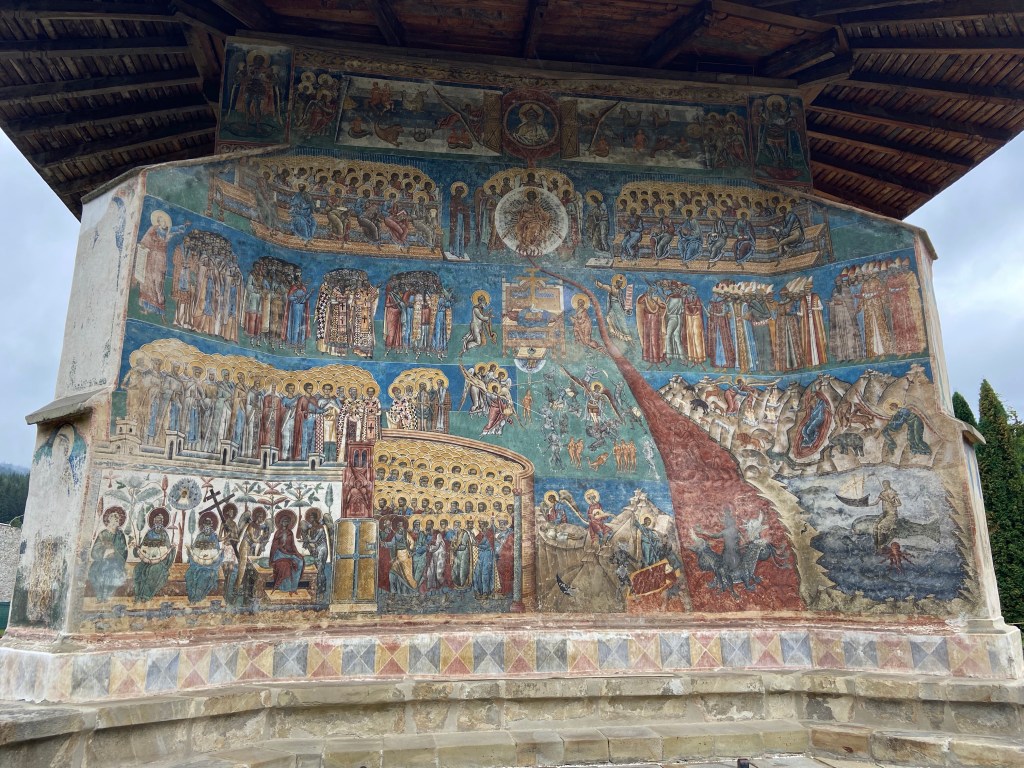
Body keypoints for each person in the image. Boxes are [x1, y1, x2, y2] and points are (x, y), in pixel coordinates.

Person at [133, 508, 174, 602]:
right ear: (153, 522)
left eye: (159, 521)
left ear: (162, 522)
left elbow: (167, 550)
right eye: (156, 521)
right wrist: (138, 547)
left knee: (152, 571)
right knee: (138, 569)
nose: (157, 523)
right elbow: (143, 546)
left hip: (160, 561)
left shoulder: (164, 534)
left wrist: (171, 549)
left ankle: (146, 596)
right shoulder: (149, 533)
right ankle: (138, 594)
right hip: (147, 559)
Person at [88, 507, 129, 601]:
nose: (115, 521)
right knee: (97, 572)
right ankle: (100, 595)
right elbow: (94, 551)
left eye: (117, 519)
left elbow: (124, 550)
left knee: (114, 573)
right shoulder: (103, 534)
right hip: (102, 561)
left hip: (116, 562)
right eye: (113, 519)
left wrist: (115, 551)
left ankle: (107, 595)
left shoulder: (120, 535)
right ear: (109, 520)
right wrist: (104, 552)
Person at [184, 512, 223, 603]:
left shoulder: (214, 537)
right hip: (197, 563)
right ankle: (192, 597)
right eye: (205, 526)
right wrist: (189, 551)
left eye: (208, 526)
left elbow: (217, 552)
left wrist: (212, 560)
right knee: (190, 574)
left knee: (205, 575)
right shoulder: (200, 536)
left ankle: (197, 598)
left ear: (211, 526)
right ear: (203, 526)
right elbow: (193, 550)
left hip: (210, 565)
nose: (207, 528)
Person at [269, 510, 304, 591]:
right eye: (284, 521)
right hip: (279, 554)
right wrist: (272, 559)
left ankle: (293, 587)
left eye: (287, 521)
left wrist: (297, 554)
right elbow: (275, 546)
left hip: (288, 553)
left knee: (300, 561)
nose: (285, 523)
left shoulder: (290, 533)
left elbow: (293, 545)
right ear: (281, 522)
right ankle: (285, 588)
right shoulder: (278, 532)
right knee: (286, 565)